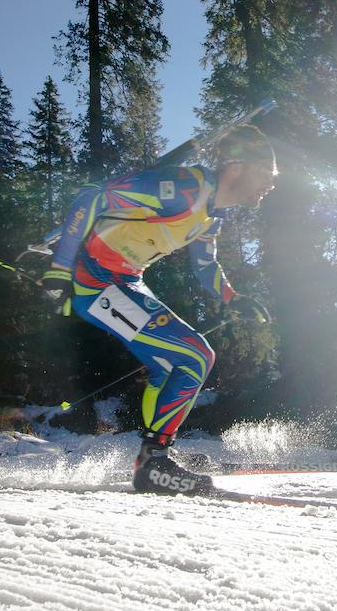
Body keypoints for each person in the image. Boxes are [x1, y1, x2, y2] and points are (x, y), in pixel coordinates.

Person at [40, 125, 276, 494]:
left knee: (168, 368)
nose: (271, 183)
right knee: (195, 356)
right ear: (236, 168)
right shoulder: (184, 191)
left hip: (127, 280)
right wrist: (58, 270)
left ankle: (154, 459)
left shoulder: (212, 213)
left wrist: (233, 297)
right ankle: (154, 462)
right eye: (266, 172)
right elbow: (93, 198)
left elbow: (204, 266)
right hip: (96, 281)